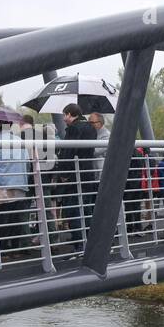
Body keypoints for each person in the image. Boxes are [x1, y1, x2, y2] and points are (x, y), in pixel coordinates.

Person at [55, 103, 97, 247]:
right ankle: (90, 243)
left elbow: (68, 152)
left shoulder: (73, 129)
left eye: (64, 115)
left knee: (73, 210)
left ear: (69, 114)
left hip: (74, 175)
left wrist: (64, 174)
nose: (63, 118)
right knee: (86, 208)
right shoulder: (91, 127)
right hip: (87, 172)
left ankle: (79, 244)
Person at [0, 118, 33, 252]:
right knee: (16, 220)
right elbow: (27, 161)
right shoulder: (19, 141)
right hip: (19, 185)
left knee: (2, 219)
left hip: (1, 186)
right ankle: (14, 249)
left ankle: (2, 250)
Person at [89, 111, 111, 177]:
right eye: (89, 122)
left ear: (100, 123)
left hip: (102, 170)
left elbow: (96, 152)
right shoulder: (92, 133)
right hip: (94, 169)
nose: (90, 125)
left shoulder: (106, 135)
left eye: (92, 122)